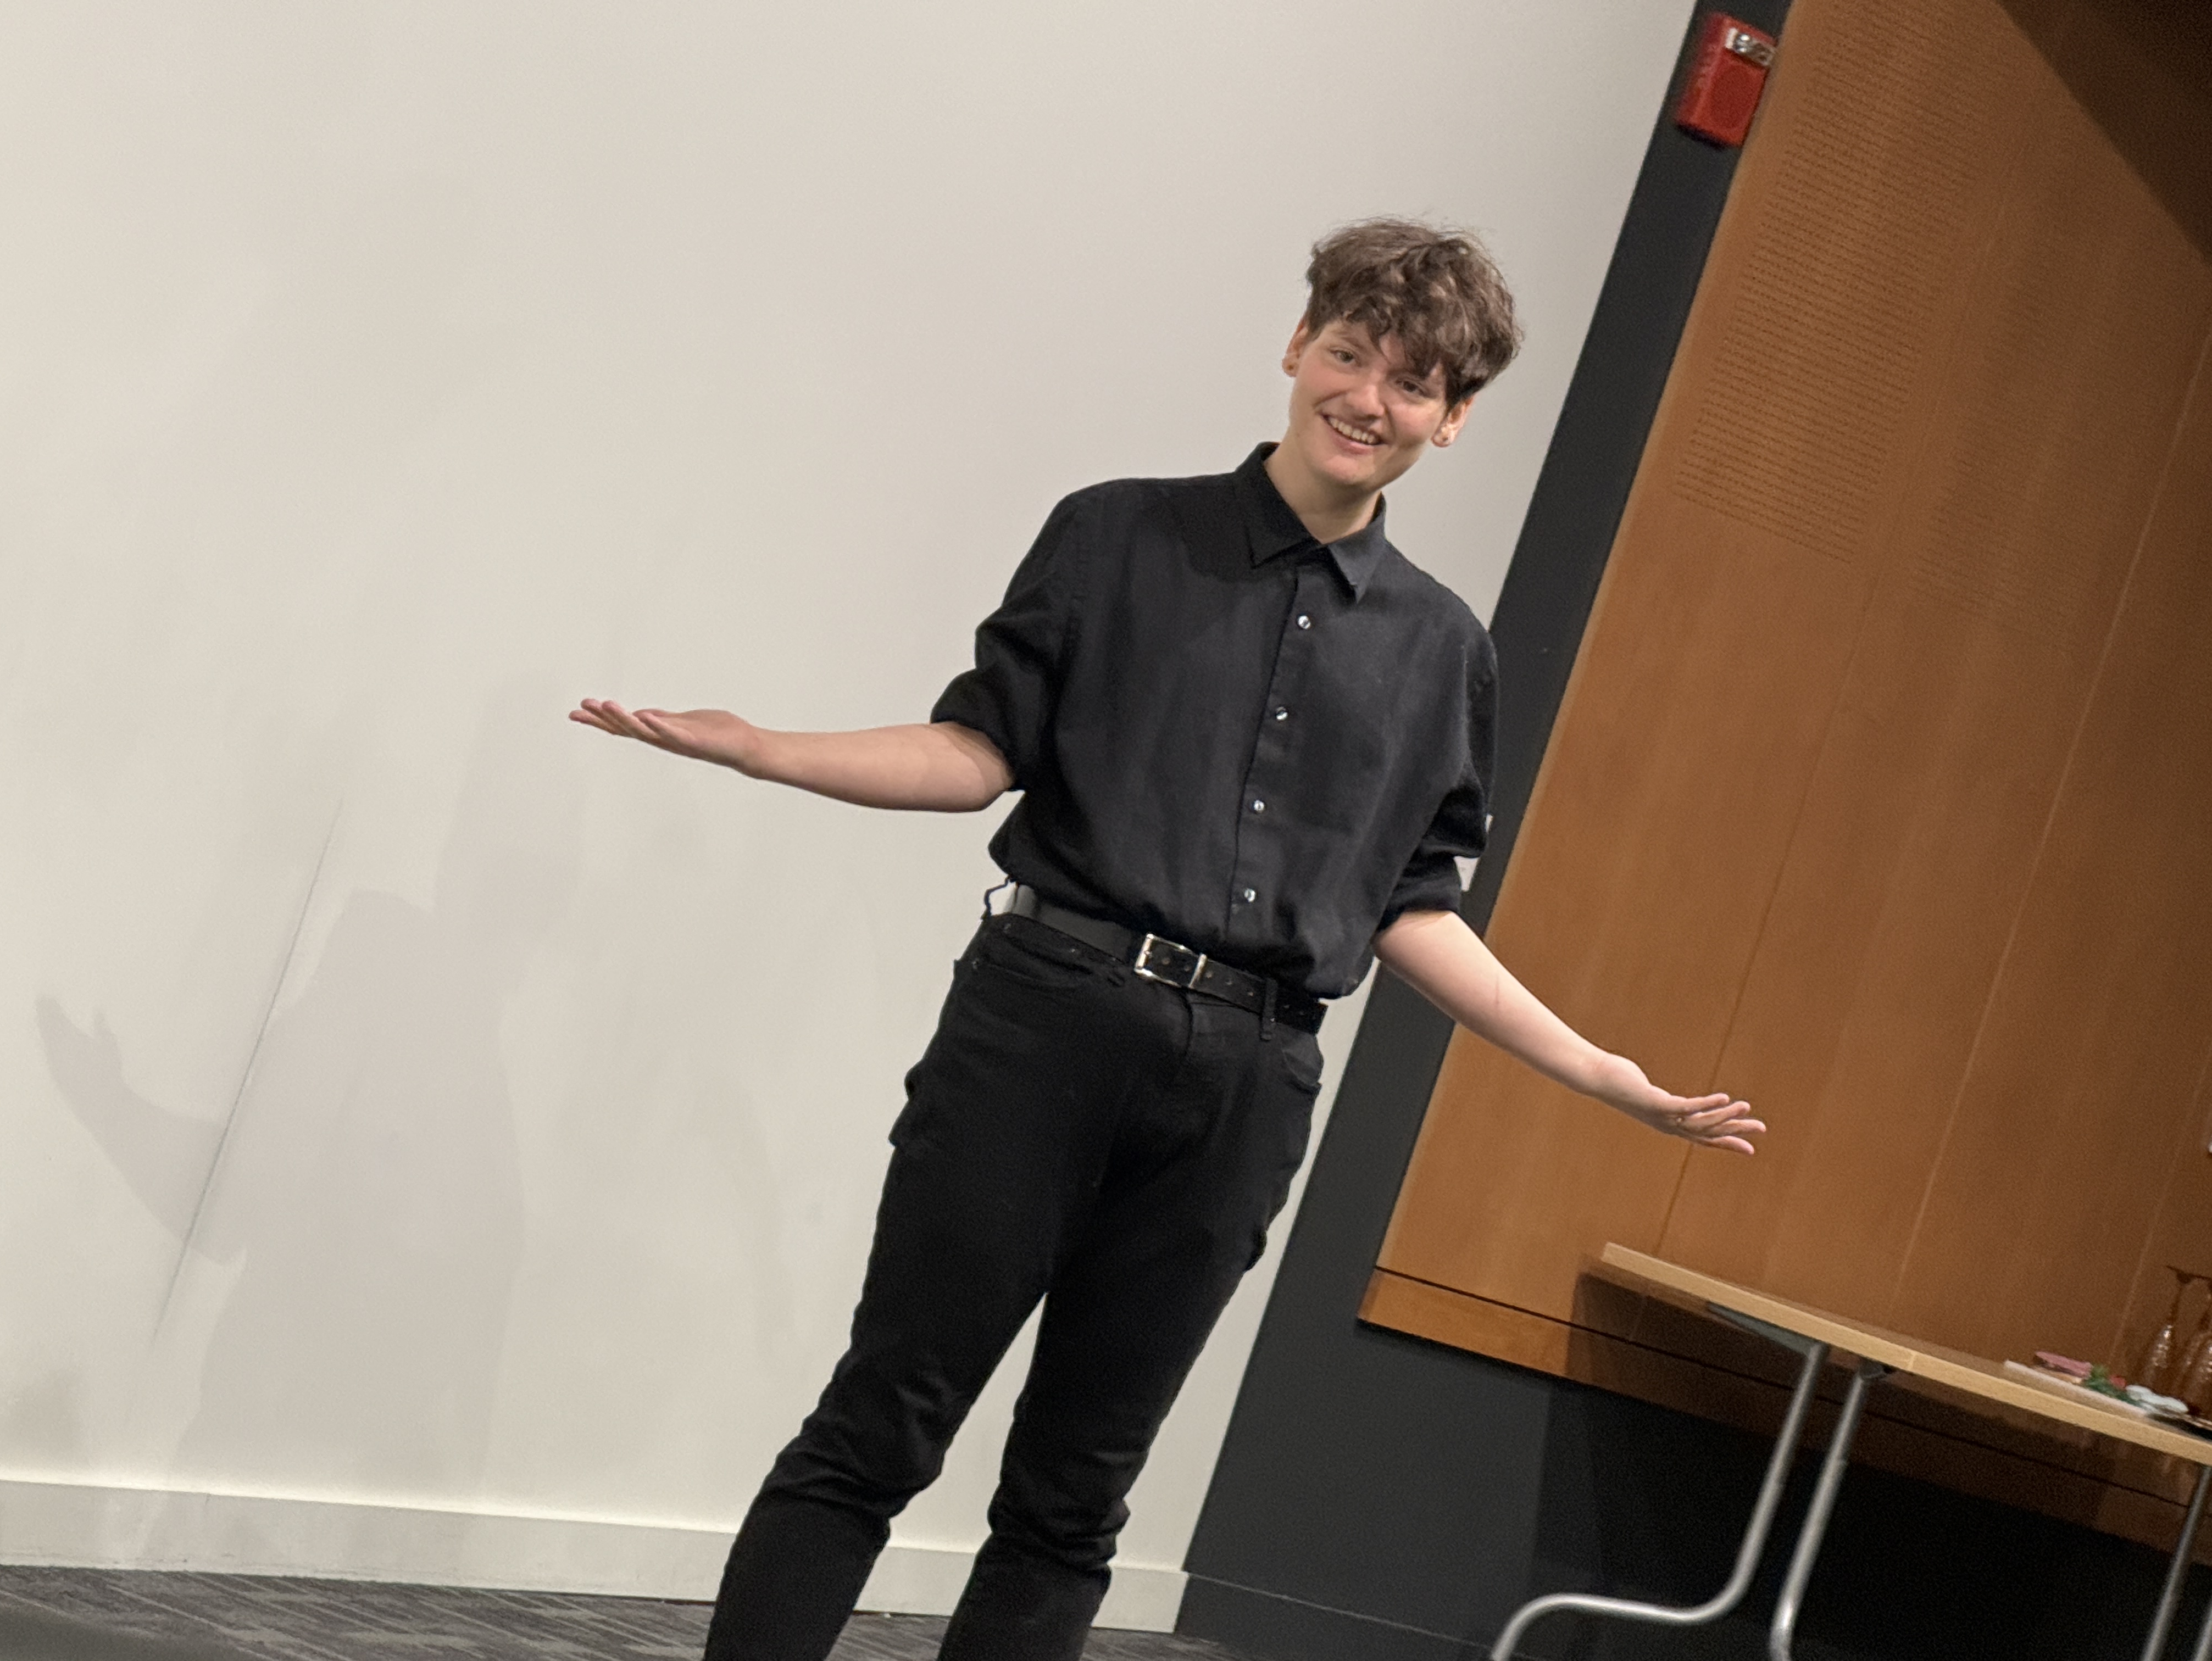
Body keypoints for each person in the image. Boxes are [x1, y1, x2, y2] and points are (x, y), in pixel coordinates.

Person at [571, 218, 1763, 1661]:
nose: (1368, 401)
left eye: (1414, 384)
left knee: (1078, 1497)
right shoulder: (1114, 532)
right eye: (1350, 354)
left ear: (1452, 422)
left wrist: (1593, 1070)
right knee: (881, 1426)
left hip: (1245, 1085)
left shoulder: (1447, 650)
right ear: (1298, 346)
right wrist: (767, 748)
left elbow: (1409, 909)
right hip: (1042, 1020)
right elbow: (975, 751)